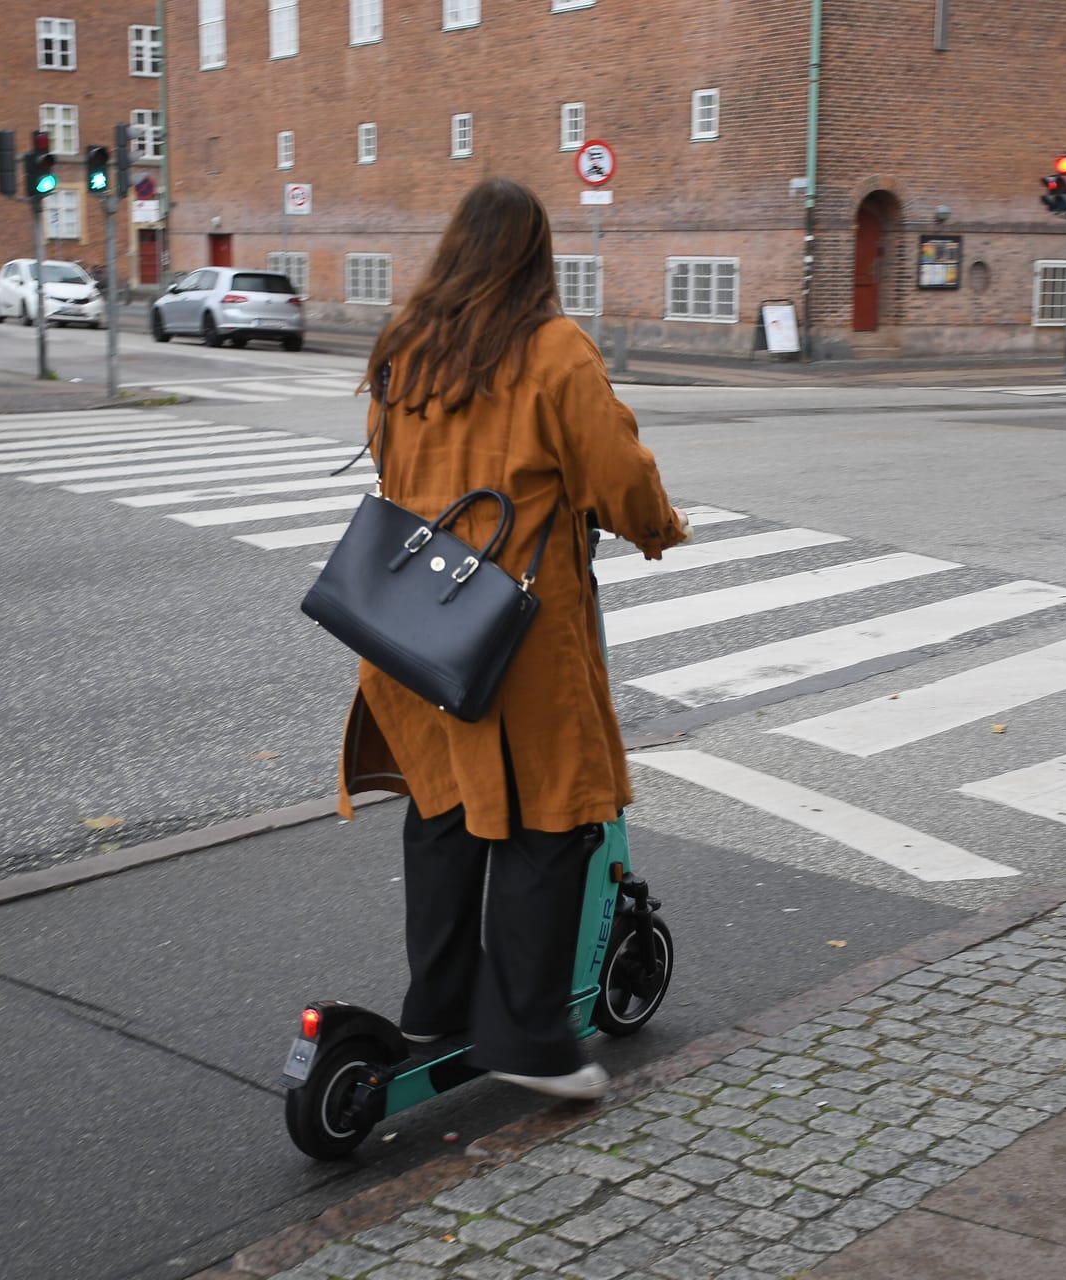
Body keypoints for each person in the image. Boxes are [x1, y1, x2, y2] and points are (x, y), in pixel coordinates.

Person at [336, 177, 690, 1100]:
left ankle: (436, 1006)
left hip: (412, 627)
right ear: (537, 256)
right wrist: (658, 523)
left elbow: (389, 459)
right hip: (517, 635)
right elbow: (615, 472)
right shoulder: (553, 350)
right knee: (553, 821)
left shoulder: (405, 347)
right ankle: (531, 1040)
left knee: (444, 812)